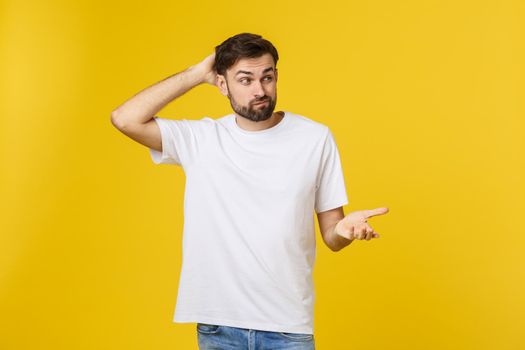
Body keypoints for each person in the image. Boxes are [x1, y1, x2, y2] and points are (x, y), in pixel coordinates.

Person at [111, 32, 389, 350]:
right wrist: (197, 73)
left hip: (288, 328)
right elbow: (124, 118)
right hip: (220, 327)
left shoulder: (315, 138)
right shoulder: (201, 139)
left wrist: (344, 229)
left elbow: (331, 236)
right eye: (245, 80)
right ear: (222, 84)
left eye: (267, 77)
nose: (260, 90)